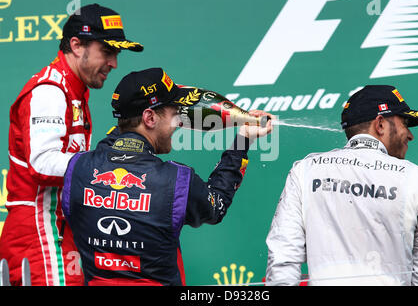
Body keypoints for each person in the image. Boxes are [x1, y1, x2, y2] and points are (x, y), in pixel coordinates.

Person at [61, 68, 273, 286]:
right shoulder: (176, 181)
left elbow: (113, 142)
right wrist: (242, 141)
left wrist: (130, 123)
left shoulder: (78, 167)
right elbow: (216, 206)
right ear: (150, 117)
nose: (179, 123)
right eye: (175, 114)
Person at [0, 3, 143, 286]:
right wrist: (105, 164)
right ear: (77, 45)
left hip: (62, 232)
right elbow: (42, 164)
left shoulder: (74, 91)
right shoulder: (49, 90)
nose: (114, 63)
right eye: (108, 51)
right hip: (38, 232)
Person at [265, 85, 418, 286]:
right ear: (381, 124)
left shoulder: (305, 171)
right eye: (405, 123)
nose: (410, 135)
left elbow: (282, 259)